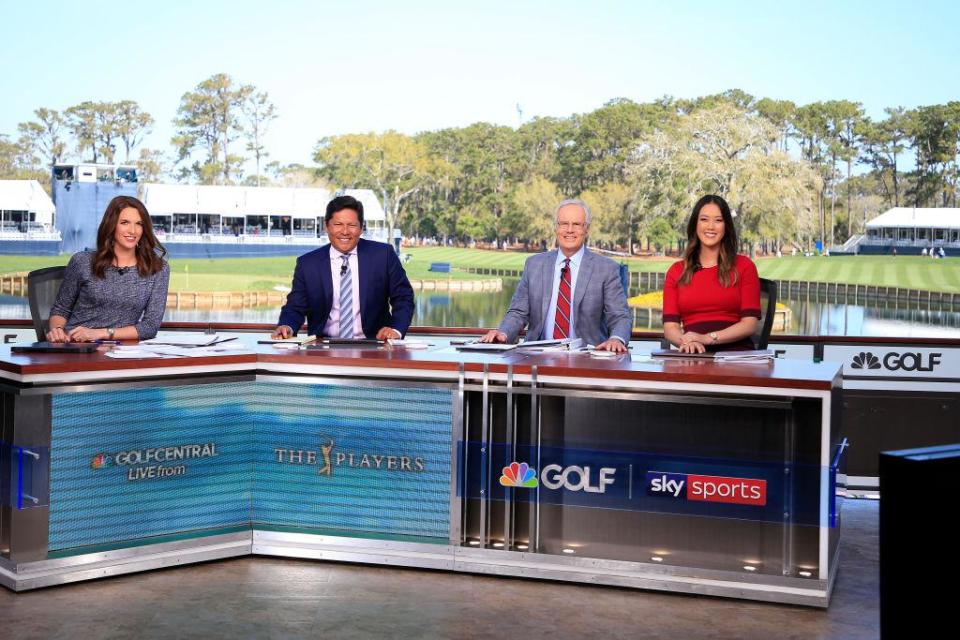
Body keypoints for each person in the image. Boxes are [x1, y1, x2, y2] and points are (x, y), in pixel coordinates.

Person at [480, 199, 630, 353]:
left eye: (577, 224)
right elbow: (518, 312)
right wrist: (503, 332)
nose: (569, 230)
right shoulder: (534, 265)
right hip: (537, 358)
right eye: (564, 224)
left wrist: (616, 339)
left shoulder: (606, 269)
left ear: (587, 229)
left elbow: (620, 316)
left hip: (587, 360)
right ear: (556, 228)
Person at [273, 195, 414, 340]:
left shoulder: (383, 255)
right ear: (326, 226)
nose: (345, 231)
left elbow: (403, 298)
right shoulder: (308, 264)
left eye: (352, 225)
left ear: (361, 228)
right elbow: (295, 307)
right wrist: (287, 326)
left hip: (375, 346)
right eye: (338, 224)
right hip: (322, 349)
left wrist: (395, 330)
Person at [47, 195, 170, 343]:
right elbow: (61, 309)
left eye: (139, 224)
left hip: (121, 352)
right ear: (111, 225)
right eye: (125, 222)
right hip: (75, 346)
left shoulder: (157, 269)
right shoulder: (82, 262)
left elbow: (150, 327)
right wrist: (58, 331)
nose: (133, 230)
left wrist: (100, 333)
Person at [662, 195, 761, 353]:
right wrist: (686, 343)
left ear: (726, 226)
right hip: (693, 355)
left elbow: (750, 324)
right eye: (704, 219)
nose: (710, 226)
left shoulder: (745, 266)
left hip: (736, 357)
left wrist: (707, 338)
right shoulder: (676, 272)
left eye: (718, 220)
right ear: (695, 224)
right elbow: (670, 328)